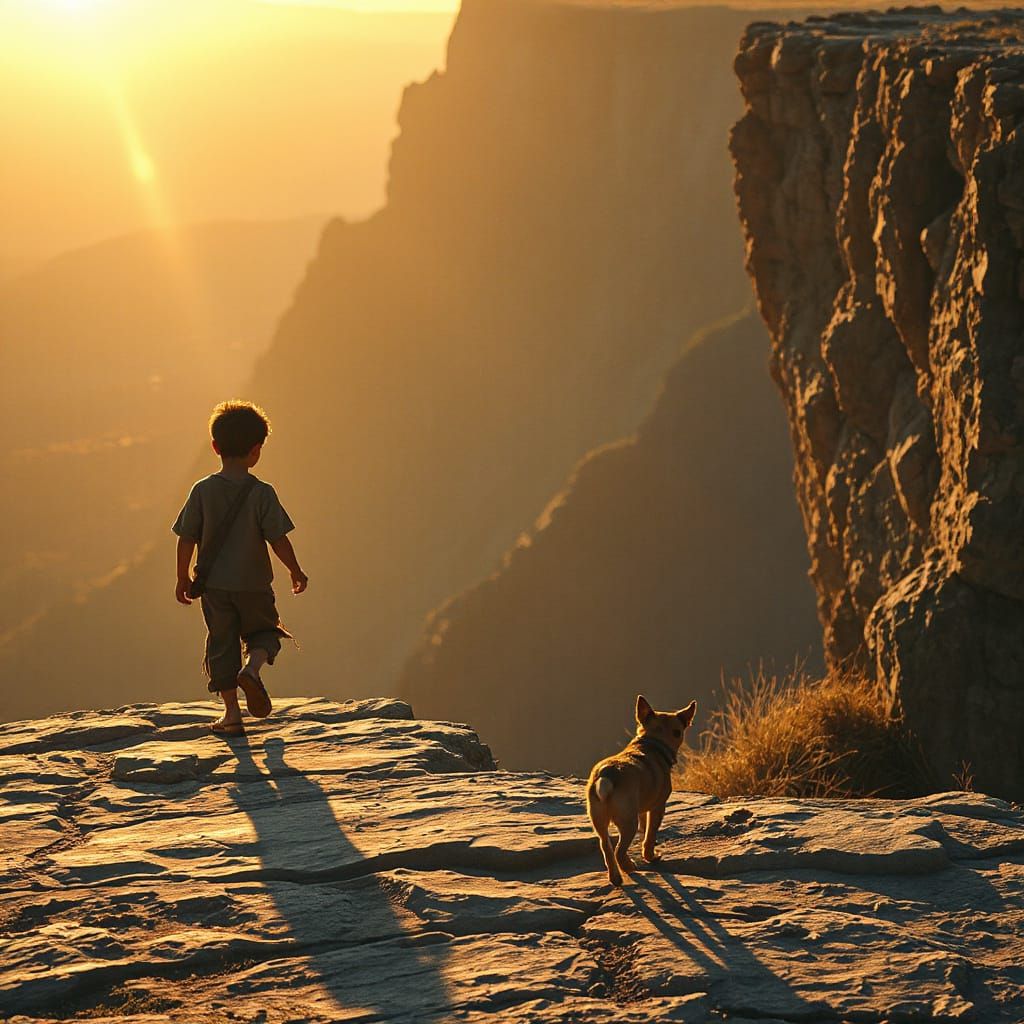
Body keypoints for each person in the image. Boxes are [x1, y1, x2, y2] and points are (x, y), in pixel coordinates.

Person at [172, 400, 308, 734]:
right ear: (256, 451)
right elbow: (278, 539)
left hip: (214, 586)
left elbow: (186, 537)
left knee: (221, 643)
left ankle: (232, 715)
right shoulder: (263, 494)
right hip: (254, 584)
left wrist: (182, 577)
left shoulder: (202, 490)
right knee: (265, 632)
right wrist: (295, 570)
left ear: (215, 446)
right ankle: (253, 669)